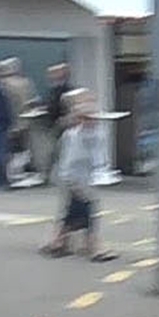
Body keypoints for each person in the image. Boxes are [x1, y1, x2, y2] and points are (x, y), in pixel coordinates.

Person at [42, 92, 115, 262]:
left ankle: (58, 242)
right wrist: (72, 184)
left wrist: (103, 172)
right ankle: (93, 246)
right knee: (87, 210)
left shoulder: (99, 134)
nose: (92, 121)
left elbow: (99, 157)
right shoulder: (73, 136)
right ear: (81, 119)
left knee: (73, 212)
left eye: (94, 118)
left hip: (87, 178)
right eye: (87, 118)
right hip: (72, 178)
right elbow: (67, 163)